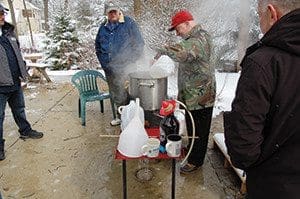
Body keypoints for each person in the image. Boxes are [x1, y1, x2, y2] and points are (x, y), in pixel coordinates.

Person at [224, 1, 300, 198]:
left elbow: (243, 149)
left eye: (259, 16)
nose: (259, 22)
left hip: (274, 187)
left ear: (271, 13)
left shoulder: (263, 63)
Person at [155, 10, 216, 173]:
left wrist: (162, 48)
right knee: (193, 126)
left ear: (188, 23)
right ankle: (192, 151)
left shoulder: (200, 39)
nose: (177, 33)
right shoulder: (193, 38)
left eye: (178, 28)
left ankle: (196, 161)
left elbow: (183, 51)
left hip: (201, 96)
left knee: (200, 130)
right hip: (192, 94)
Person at [0, 4, 43, 161]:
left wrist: (22, 69)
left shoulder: (9, 33)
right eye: (0, 14)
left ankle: (25, 130)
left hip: (14, 81)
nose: (2, 16)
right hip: (1, 86)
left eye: (3, 13)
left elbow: (17, 53)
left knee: (19, 109)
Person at [95, 1, 144, 126]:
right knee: (116, 94)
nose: (112, 14)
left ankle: (134, 118)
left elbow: (139, 44)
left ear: (119, 11)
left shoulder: (129, 24)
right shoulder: (103, 27)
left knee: (130, 93)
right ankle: (121, 117)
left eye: (114, 11)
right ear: (106, 14)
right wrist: (104, 63)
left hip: (126, 68)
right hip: (110, 68)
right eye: (109, 12)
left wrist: (131, 62)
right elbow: (98, 47)